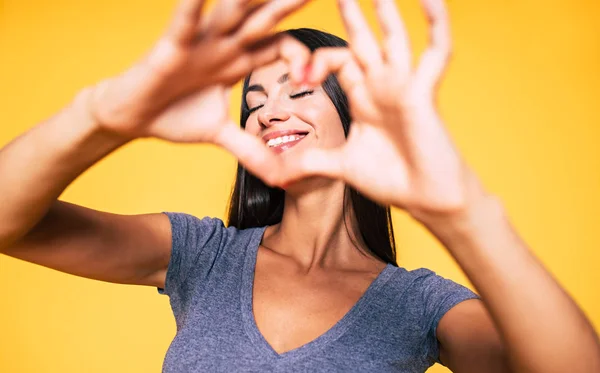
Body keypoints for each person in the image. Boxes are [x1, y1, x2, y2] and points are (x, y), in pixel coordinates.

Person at [0, 0, 598, 372]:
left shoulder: (420, 305)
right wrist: (99, 115)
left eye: (299, 91)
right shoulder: (202, 257)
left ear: (354, 112)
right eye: (253, 102)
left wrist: (464, 213)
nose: (267, 113)